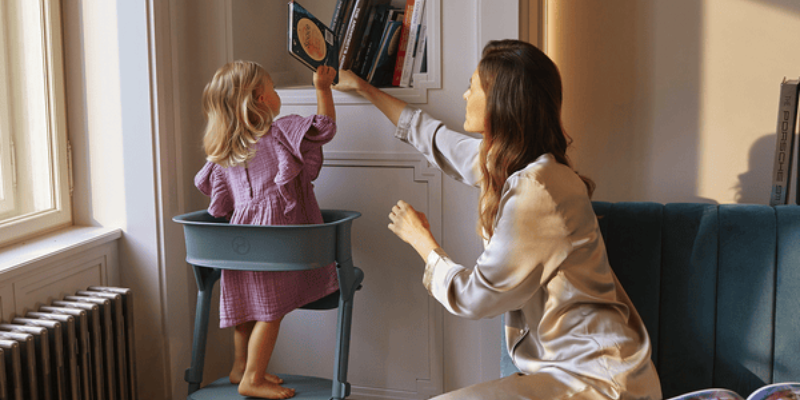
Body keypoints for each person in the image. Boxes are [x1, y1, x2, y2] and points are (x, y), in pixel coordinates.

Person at [333, 40, 662, 399]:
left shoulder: (538, 189)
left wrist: (422, 241)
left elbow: (475, 297)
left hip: (600, 380)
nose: (463, 94)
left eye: (472, 86)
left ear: (500, 101)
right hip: (565, 373)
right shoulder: (516, 165)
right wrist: (363, 88)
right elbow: (434, 138)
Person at [195, 60, 339, 399]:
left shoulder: (225, 152)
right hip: (276, 241)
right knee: (271, 312)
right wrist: (322, 89)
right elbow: (325, 127)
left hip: (240, 243)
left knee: (247, 306)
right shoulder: (280, 134)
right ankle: (253, 378)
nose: (277, 95)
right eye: (273, 89)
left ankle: (240, 368)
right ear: (260, 99)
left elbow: (222, 206)